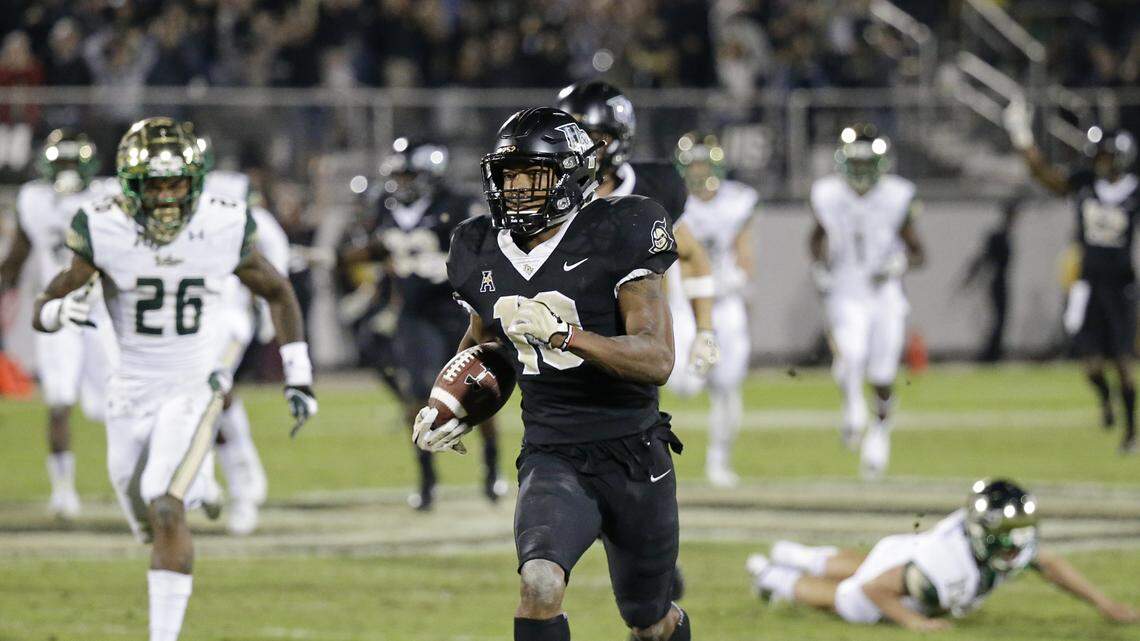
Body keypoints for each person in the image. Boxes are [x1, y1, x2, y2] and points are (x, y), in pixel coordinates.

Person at [31, 117, 317, 641]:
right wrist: (56, 314)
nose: (166, 197)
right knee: (144, 513)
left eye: (175, 183)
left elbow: (278, 291)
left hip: (193, 387)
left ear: (196, 182)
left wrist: (298, 374)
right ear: (130, 185)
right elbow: (46, 302)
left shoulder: (223, 223)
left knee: (164, 505)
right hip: (127, 394)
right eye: (154, 185)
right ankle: (199, 481)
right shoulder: (103, 226)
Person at [413, 108, 690, 641]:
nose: (516, 188)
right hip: (552, 451)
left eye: (532, 175)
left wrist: (566, 335)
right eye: (508, 175)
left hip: (635, 454)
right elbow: (485, 342)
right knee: (539, 583)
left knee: (650, 622)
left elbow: (656, 359)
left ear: (571, 175)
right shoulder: (478, 245)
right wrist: (451, 403)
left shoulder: (622, 228)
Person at [341, 137, 504, 511]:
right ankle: (427, 480)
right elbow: (379, 248)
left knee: (479, 393)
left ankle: (492, 468)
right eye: (399, 175)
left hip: (460, 312)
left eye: (409, 175)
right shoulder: (386, 207)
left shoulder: (458, 205)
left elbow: (488, 253)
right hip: (414, 314)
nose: (402, 183)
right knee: (417, 395)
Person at [746, 479, 1139, 631]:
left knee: (866, 564)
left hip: (906, 549)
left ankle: (798, 554)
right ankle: (773, 576)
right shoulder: (947, 570)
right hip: (904, 574)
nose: (1017, 545)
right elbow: (875, 590)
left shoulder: (990, 540)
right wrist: (914, 622)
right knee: (846, 596)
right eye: (1008, 536)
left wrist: (1104, 604)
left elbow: (1049, 564)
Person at [555, 80, 720, 391]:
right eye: (573, 138)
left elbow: (692, 255)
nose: (582, 148)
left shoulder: (653, 187)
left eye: (593, 138)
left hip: (634, 329)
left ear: (618, 138)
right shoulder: (550, 195)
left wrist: (706, 331)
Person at [1005, 97, 1139, 453]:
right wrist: (1021, 137)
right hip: (1088, 284)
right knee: (1091, 366)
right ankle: (1105, 399)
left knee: (1124, 363)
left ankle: (1131, 431)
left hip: (1121, 286)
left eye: (1105, 156)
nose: (1099, 161)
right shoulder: (1085, 184)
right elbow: (1045, 176)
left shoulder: (1133, 191)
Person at [0, 129, 117, 519]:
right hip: (58, 310)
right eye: (61, 163)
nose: (67, 171)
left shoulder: (110, 195)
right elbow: (16, 259)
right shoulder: (33, 199)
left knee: (116, 405)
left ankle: (130, 481)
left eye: (72, 163)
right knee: (59, 401)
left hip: (102, 312)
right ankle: (63, 492)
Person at [808, 124, 925, 479]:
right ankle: (854, 411)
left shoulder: (897, 195)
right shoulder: (828, 194)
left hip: (884, 294)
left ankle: (879, 433)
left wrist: (899, 262)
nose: (860, 171)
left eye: (866, 163)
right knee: (850, 354)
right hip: (847, 288)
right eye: (855, 163)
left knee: (882, 375)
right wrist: (820, 266)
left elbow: (919, 252)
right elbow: (816, 238)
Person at [193, 130, 291, 534]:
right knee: (190, 402)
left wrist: (271, 300)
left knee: (214, 389)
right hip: (183, 320)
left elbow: (270, 236)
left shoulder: (227, 192)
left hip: (227, 311)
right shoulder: (153, 202)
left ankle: (240, 482)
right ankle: (205, 478)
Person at [669, 132, 759, 487]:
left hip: (725, 303)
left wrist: (738, 277)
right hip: (685, 301)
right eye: (693, 165)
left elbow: (745, 253)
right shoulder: (671, 201)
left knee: (728, 386)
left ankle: (719, 462)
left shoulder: (738, 201)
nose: (699, 171)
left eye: (704, 164)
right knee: (684, 385)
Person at [962, 196, 1021, 363]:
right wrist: (969, 278)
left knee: (1001, 318)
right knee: (998, 317)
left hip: (1001, 280)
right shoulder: (997, 236)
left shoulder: (1005, 235)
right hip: (996, 280)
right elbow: (982, 258)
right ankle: (991, 353)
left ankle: (995, 351)